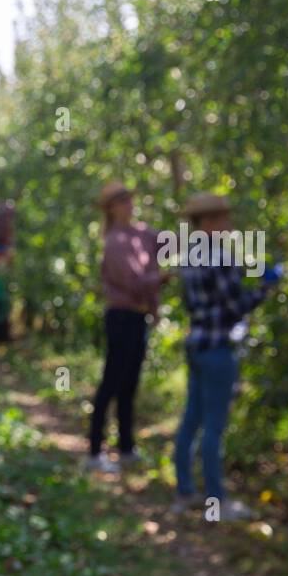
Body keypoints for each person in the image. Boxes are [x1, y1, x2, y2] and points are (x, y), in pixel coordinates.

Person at [171, 192, 281, 520]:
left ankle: (185, 491)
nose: (229, 225)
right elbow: (235, 307)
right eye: (223, 219)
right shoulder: (218, 256)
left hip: (197, 345)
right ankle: (216, 502)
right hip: (217, 348)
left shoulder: (188, 256)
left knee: (192, 419)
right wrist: (265, 288)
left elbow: (195, 304)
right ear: (208, 222)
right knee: (213, 427)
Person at [86, 182, 164, 473]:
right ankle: (95, 450)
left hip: (138, 318)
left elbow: (169, 244)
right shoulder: (115, 242)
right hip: (121, 316)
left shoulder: (142, 234)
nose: (129, 206)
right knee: (111, 382)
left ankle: (126, 446)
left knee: (130, 383)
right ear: (112, 208)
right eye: (123, 202)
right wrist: (161, 280)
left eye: (130, 201)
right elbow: (133, 282)